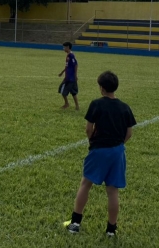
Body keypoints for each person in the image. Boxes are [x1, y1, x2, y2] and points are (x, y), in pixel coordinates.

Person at [65, 71, 136, 237]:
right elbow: (129, 133)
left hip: (99, 150)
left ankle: (75, 223)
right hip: (117, 152)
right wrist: (118, 145)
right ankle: (111, 230)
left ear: (102, 88)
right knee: (112, 191)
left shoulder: (96, 104)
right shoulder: (124, 107)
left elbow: (88, 128)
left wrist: (93, 141)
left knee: (85, 184)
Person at [58, 41, 79, 110]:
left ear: (68, 47)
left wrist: (75, 75)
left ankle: (67, 104)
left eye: (64, 47)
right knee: (73, 92)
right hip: (69, 77)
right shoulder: (68, 55)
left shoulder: (71, 55)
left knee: (62, 90)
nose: (63, 49)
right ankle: (77, 106)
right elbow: (67, 66)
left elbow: (75, 65)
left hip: (70, 78)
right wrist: (62, 72)